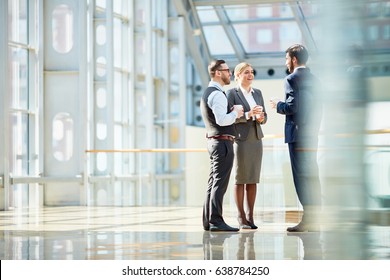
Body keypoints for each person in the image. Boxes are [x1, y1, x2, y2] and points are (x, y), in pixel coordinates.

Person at [270, 44, 322, 232]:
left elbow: (292, 107)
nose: (286, 62)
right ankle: (315, 218)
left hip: (297, 136)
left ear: (293, 59)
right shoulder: (316, 80)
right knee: (312, 175)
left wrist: (278, 105)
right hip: (311, 135)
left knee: (301, 178)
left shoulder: (291, 79)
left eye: (286, 59)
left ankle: (308, 220)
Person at [200, 59, 244, 232]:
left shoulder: (209, 92)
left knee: (213, 182)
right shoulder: (217, 94)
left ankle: (208, 220)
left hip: (215, 141)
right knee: (219, 183)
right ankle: (216, 221)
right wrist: (235, 112)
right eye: (227, 70)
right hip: (222, 143)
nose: (230, 73)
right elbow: (222, 120)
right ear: (218, 73)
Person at [226, 62, 267, 230]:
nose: (250, 75)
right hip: (241, 141)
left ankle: (250, 215)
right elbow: (229, 118)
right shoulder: (232, 94)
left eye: (251, 72)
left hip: (256, 139)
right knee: (240, 178)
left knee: (253, 179)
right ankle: (241, 216)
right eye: (246, 73)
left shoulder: (257, 93)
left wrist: (260, 118)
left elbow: (265, 118)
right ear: (237, 76)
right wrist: (249, 115)